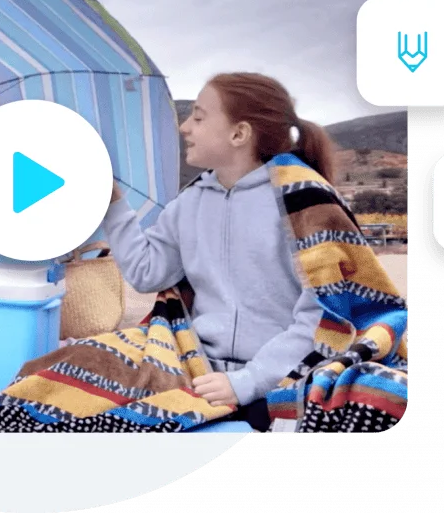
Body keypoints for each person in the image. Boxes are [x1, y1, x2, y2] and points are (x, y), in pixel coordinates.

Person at [104, 72, 338, 431]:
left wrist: (249, 381)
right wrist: (113, 203)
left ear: (239, 134)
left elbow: (327, 314)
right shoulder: (189, 203)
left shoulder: (306, 202)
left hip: (286, 377)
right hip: (198, 369)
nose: (185, 127)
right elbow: (146, 272)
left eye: (198, 117)